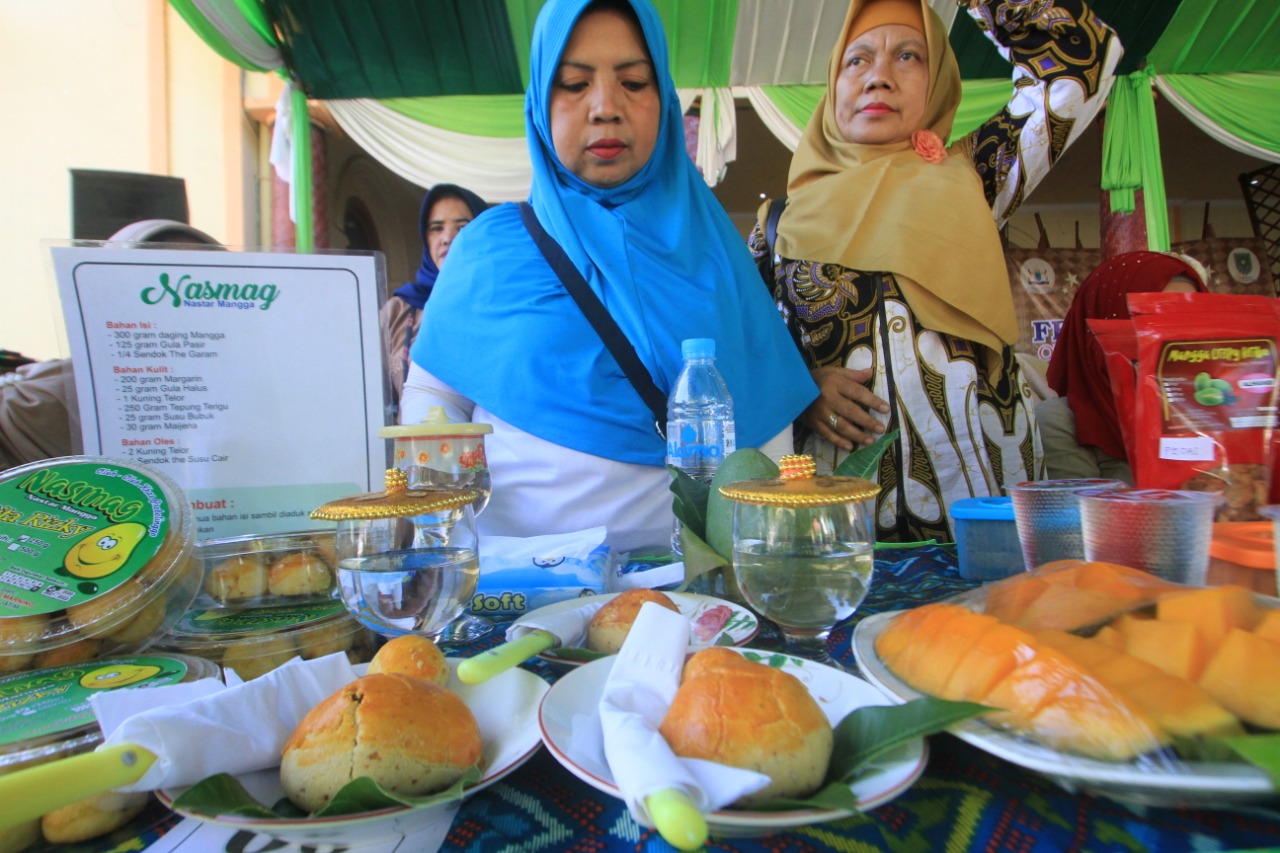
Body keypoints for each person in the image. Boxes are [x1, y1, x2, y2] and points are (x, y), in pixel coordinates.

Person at [401, 0, 816, 555]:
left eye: (634, 82)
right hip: (527, 601)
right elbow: (433, 403)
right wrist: (447, 545)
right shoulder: (489, 248)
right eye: (574, 83)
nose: (605, 107)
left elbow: (764, 410)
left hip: (698, 598)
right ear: (540, 102)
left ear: (664, 101)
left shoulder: (716, 247)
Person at [752, 0, 1121, 542]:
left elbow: (1075, 67)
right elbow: (742, 351)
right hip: (843, 533)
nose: (878, 76)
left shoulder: (976, 180)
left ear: (939, 84)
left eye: (908, 56)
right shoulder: (778, 226)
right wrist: (800, 390)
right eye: (857, 61)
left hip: (986, 517)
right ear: (833, 86)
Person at [1, 219, 223, 470]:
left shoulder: (257, 383)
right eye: (154, 281)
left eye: (207, 278)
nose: (182, 302)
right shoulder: (46, 400)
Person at [1038, 251, 1207, 484]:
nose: (1177, 334)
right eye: (1155, 317)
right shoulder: (1065, 420)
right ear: (1107, 319)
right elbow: (1084, 517)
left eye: (1190, 317)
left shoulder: (1215, 405)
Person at [380, 185, 487, 413]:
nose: (448, 237)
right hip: (416, 447)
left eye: (463, 227)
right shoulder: (398, 312)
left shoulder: (503, 305)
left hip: (490, 447)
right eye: (436, 228)